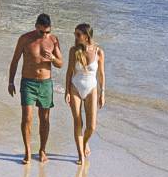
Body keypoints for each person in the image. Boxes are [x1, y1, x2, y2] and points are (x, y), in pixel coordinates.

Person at [6, 13, 64, 163]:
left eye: (47, 32)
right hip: (28, 83)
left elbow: (60, 63)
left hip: (45, 84)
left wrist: (52, 58)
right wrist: (11, 82)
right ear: (36, 26)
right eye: (42, 32)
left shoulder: (53, 40)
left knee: (44, 119)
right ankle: (27, 151)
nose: (44, 35)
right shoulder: (25, 39)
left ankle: (42, 150)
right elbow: (15, 61)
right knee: (27, 118)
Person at [65, 23, 106, 163]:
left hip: (92, 89)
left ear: (86, 36)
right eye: (75, 34)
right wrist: (67, 91)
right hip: (75, 87)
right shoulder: (73, 51)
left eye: (78, 35)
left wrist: (103, 93)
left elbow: (101, 74)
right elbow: (69, 72)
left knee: (91, 126)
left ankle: (84, 142)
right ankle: (80, 155)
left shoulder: (98, 52)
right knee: (78, 122)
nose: (75, 37)